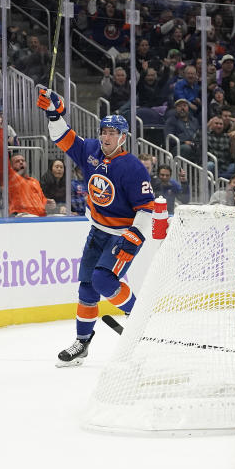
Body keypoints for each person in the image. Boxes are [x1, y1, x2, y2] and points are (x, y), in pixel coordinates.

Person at [36, 86, 155, 367]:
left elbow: (146, 208)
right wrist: (54, 114)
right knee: (87, 289)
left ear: (123, 137)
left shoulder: (133, 167)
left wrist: (134, 237)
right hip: (98, 230)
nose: (106, 136)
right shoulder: (91, 150)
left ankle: (139, 319)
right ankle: (82, 343)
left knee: (104, 281)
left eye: (112, 133)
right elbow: (64, 139)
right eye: (103, 131)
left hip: (122, 235)